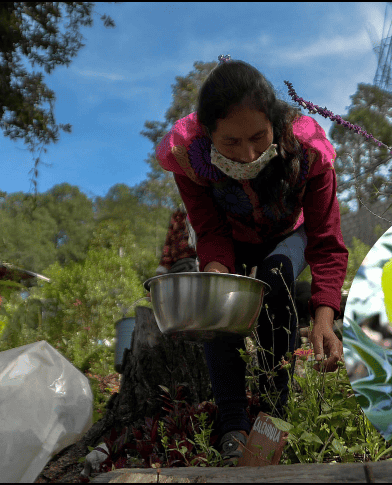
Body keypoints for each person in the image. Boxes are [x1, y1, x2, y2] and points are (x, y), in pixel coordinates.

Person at [156, 57, 347, 464]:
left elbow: (327, 241)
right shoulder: (189, 158)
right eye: (231, 143)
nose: (247, 153)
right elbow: (209, 230)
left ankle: (276, 414)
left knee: (278, 279)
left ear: (275, 122)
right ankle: (232, 423)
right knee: (221, 300)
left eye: (259, 137)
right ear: (209, 135)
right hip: (231, 240)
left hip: (288, 235)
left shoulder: (309, 152)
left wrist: (325, 316)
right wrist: (215, 278)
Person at [155, 207, 198, 275]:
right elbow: (169, 242)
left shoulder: (207, 211)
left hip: (200, 264)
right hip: (178, 266)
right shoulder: (178, 216)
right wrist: (164, 267)